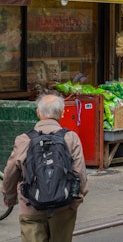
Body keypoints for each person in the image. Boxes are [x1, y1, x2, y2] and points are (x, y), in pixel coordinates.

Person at [2, 93, 88, 242]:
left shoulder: (24, 139)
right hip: (63, 207)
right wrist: (75, 201)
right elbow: (79, 173)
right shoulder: (71, 137)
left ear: (38, 112)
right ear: (62, 113)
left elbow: (11, 172)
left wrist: (9, 198)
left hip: (31, 207)